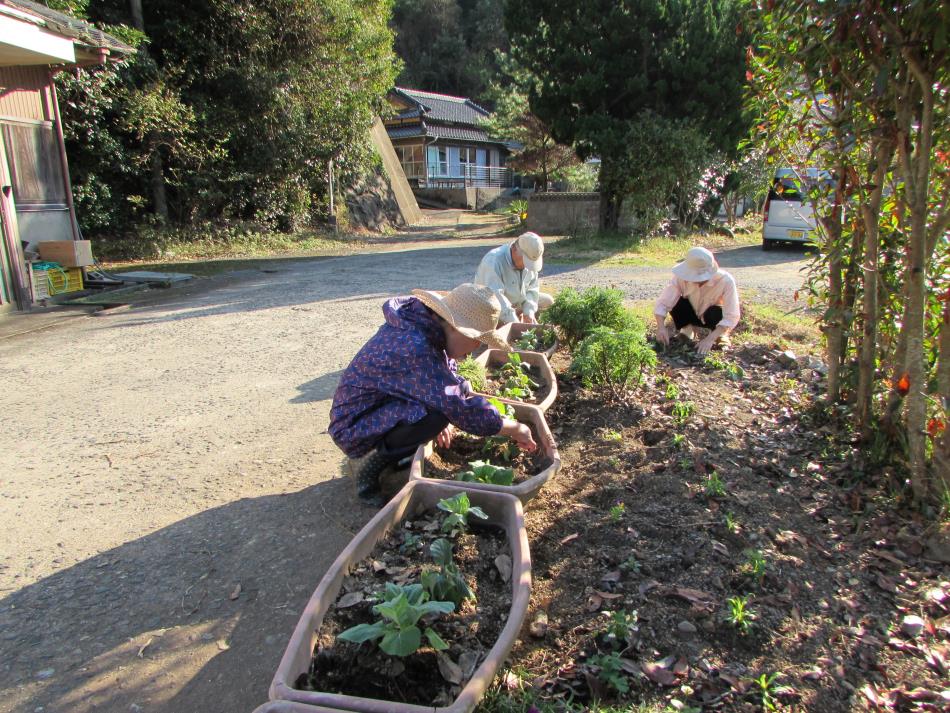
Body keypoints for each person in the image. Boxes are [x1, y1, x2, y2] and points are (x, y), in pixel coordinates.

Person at [329, 283, 538, 506]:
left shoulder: (424, 327)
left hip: (378, 407)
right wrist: (513, 428)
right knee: (435, 416)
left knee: (446, 404)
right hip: (354, 426)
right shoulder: (416, 346)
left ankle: (392, 453)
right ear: (455, 327)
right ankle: (366, 462)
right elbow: (458, 406)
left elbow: (446, 378)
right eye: (476, 338)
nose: (477, 346)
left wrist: (447, 407)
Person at [654, 246, 740, 355]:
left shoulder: (726, 281)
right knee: (677, 302)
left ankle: (720, 335)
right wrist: (661, 327)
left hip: (712, 317)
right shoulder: (681, 278)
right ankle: (687, 330)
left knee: (715, 311)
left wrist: (709, 339)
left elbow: (732, 315)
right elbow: (663, 302)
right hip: (692, 313)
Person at [474, 231, 554, 325]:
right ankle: (509, 323)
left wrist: (529, 312)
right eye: (526, 261)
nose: (527, 266)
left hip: (516, 301)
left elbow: (532, 289)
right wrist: (516, 324)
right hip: (490, 307)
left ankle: (523, 319)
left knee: (548, 301)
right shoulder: (493, 261)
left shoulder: (529, 261)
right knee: (498, 319)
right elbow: (496, 299)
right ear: (515, 249)